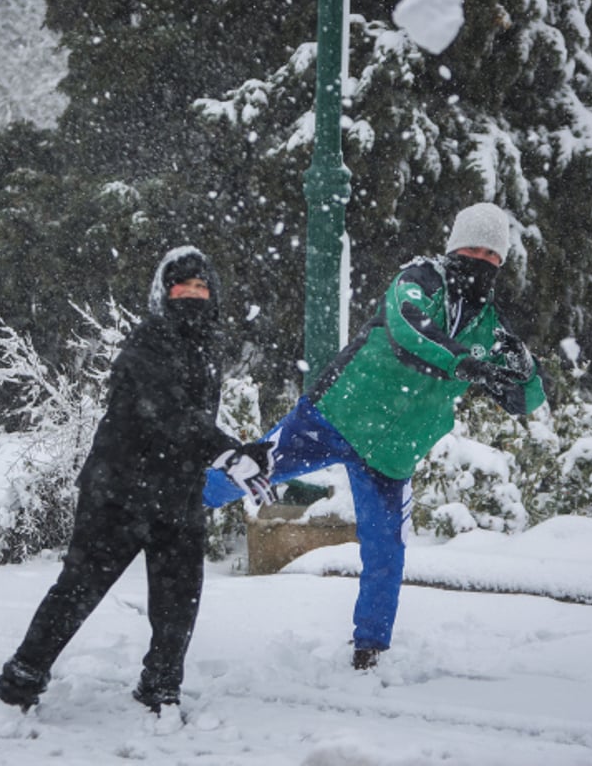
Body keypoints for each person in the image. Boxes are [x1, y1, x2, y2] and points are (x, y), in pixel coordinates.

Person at [204, 202, 546, 669]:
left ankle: (370, 650)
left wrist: (524, 370)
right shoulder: (419, 278)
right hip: (332, 416)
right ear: (453, 246)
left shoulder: (491, 328)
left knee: (386, 553)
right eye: (473, 247)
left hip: (392, 454)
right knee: (248, 469)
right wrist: (462, 361)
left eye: (492, 254)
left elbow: (526, 400)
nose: (481, 260)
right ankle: (167, 500)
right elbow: (410, 330)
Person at [0, 246, 274, 718]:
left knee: (179, 598)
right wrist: (225, 449)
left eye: (202, 287)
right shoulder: (146, 343)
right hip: (119, 493)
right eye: (181, 286)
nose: (193, 294)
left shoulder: (209, 345)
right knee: (78, 590)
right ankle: (19, 683)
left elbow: (188, 420)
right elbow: (165, 413)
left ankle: (160, 687)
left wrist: (238, 453)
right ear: (163, 293)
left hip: (178, 492)